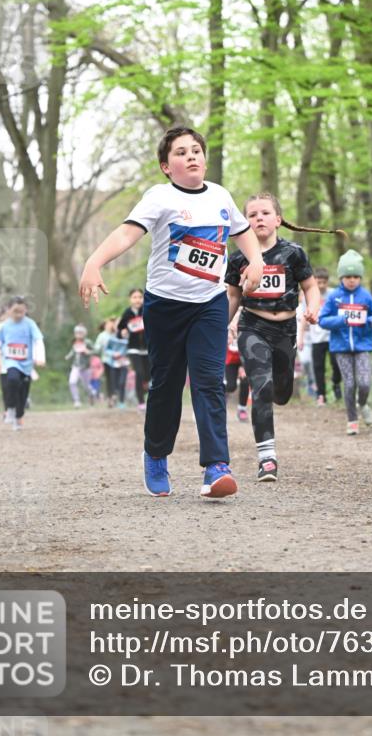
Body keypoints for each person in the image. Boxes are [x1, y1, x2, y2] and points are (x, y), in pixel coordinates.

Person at [79, 125, 263, 499]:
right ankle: (156, 454)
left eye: (196, 150)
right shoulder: (159, 198)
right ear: (166, 166)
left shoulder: (220, 196)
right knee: (165, 384)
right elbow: (126, 235)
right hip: (164, 305)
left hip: (209, 303)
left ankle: (216, 467)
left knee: (209, 381)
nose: (192, 156)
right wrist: (93, 262)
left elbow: (242, 232)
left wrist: (256, 261)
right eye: (181, 152)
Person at [226, 193, 320, 483]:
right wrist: (221, 325)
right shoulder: (239, 258)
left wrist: (313, 309)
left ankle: (282, 387)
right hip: (253, 326)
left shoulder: (293, 253)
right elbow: (232, 296)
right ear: (245, 223)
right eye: (252, 215)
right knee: (261, 387)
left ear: (277, 219)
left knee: (281, 391)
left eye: (265, 213)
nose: (259, 219)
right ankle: (267, 458)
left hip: (286, 330)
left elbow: (311, 287)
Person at [318, 250, 372, 435]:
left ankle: (362, 404)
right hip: (341, 347)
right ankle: (352, 420)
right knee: (348, 384)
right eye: (348, 276)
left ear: (360, 277)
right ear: (341, 277)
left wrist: (371, 322)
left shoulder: (366, 296)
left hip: (363, 346)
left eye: (356, 276)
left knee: (364, 382)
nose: (352, 280)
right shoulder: (334, 297)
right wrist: (342, 320)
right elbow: (323, 320)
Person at [0, 296, 45, 430]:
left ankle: (19, 417)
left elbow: (38, 340)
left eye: (21, 312)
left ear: (26, 311)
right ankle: (10, 407)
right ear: (9, 310)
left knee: (23, 393)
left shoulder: (30, 324)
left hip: (26, 365)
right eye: (15, 311)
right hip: (11, 361)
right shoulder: (4, 325)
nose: (18, 315)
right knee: (12, 380)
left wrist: (40, 357)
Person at [299, 266, 342, 407]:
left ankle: (336, 383)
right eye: (319, 282)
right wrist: (300, 337)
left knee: (337, 365)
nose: (321, 285)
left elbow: (340, 314)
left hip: (333, 336)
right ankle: (321, 396)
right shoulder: (309, 295)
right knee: (318, 368)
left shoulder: (333, 294)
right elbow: (304, 316)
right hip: (316, 337)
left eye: (324, 282)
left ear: (327, 282)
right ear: (314, 281)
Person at [118, 289, 149, 412]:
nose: (137, 299)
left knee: (148, 374)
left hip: (147, 348)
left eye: (140, 297)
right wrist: (123, 332)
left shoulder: (147, 310)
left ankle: (144, 388)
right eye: (134, 297)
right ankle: (141, 402)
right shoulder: (127, 313)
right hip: (133, 348)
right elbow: (120, 331)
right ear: (130, 299)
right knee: (139, 373)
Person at [224, 329, 250, 422]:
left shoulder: (244, 323)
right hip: (230, 360)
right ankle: (222, 396)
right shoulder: (227, 323)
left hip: (244, 359)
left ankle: (242, 409)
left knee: (245, 380)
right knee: (231, 386)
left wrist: (244, 365)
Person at [66, 325, 95, 407]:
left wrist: (88, 352)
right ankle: (76, 400)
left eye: (80, 333)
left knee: (86, 385)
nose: (78, 334)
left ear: (84, 333)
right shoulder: (75, 342)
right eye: (77, 333)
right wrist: (68, 356)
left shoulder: (88, 342)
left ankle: (91, 393)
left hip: (85, 367)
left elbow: (95, 351)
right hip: (75, 366)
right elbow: (73, 351)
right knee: (72, 382)